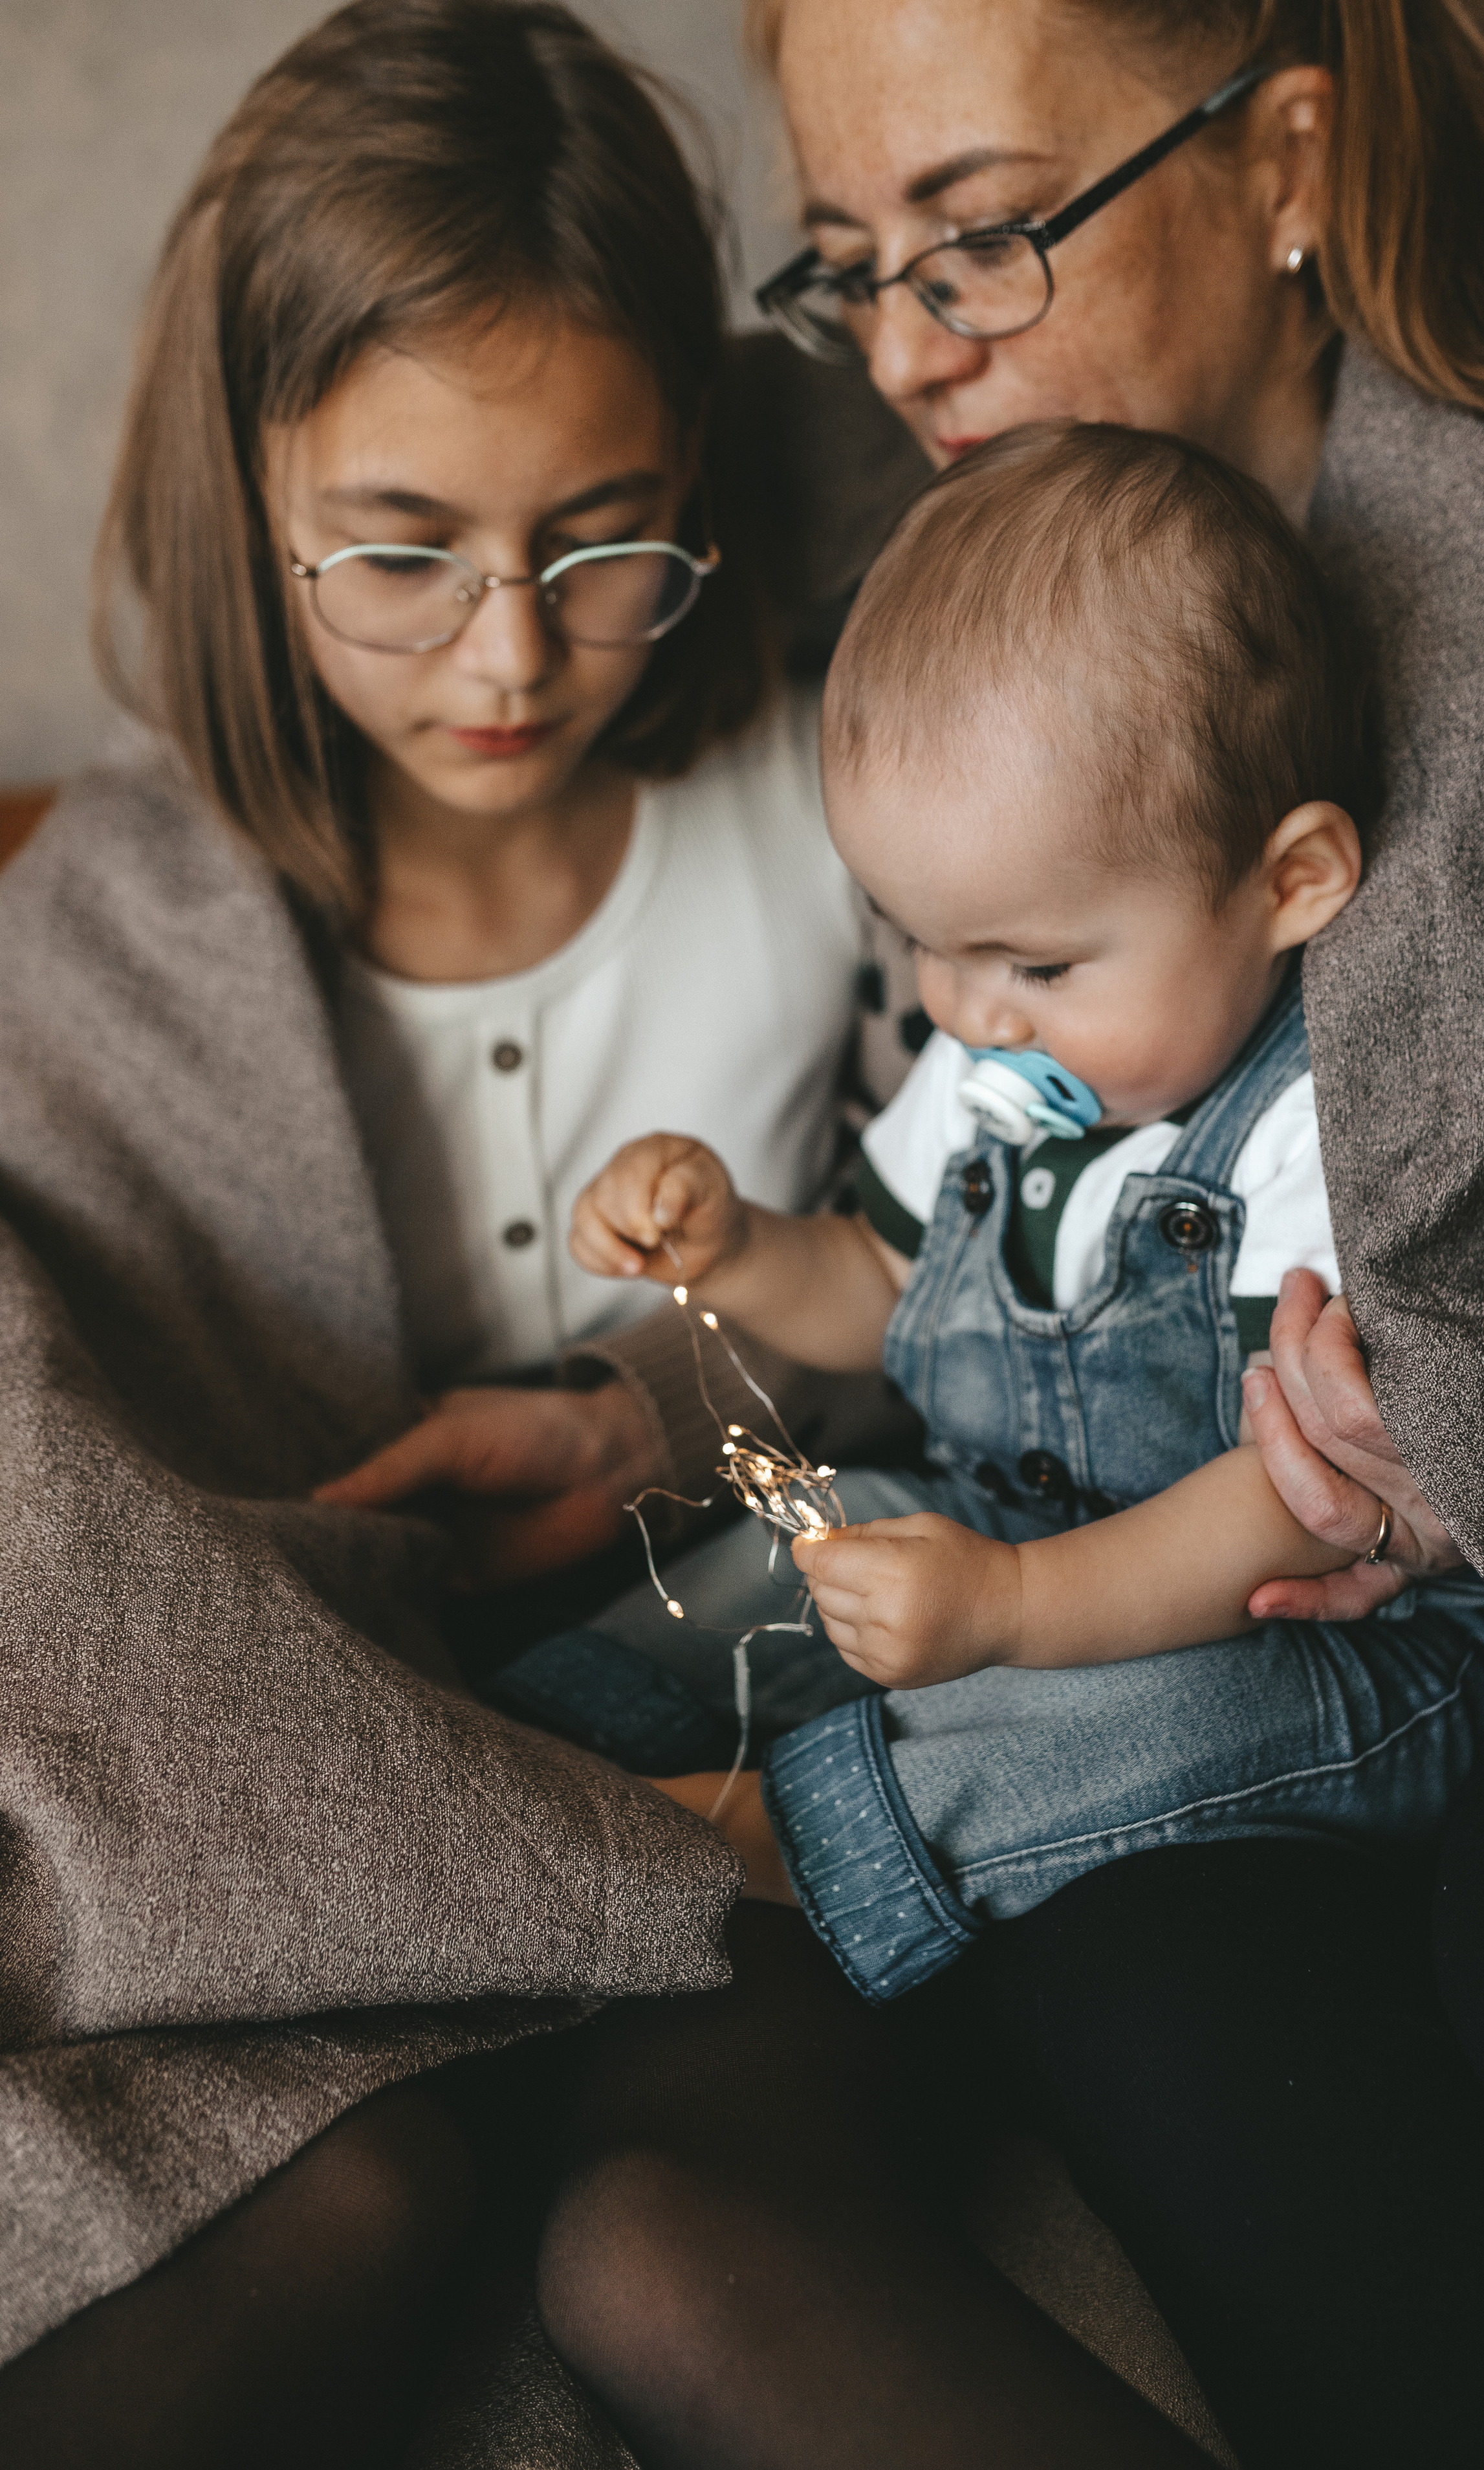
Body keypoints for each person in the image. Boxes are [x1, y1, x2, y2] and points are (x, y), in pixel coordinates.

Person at [0, 6, 1236, 2465]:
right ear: (247, 493)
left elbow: (995, 1289)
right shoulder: (106, 943)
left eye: (604, 536)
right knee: (332, 2198)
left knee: (665, 2230)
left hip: (767, 1727)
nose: (507, 650)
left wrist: (659, 1414)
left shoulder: (872, 774)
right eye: (400, 550)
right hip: (312, 1813)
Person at [728, 0, 1484, 2460]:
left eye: (987, 239)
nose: (911, 353)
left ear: (1289, 169)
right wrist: (649, 1362)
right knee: (1143, 1992)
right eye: (849, 268)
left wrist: (1482, 1417)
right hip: (1182, 1575)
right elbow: (923, 1211)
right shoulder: (937, 611)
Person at [550, 418, 1484, 1998]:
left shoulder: (1316, 1130)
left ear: (1288, 880)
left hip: (1322, 1646)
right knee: (810, 1536)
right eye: (924, 944)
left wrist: (1012, 1607)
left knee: (1114, 1727)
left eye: (1036, 962)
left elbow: (1293, 1496)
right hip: (1016, 1537)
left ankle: (758, 1848)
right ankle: (543, 1737)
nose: (968, 1011)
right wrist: (739, 1247)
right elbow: (881, 1283)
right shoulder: (994, 1055)